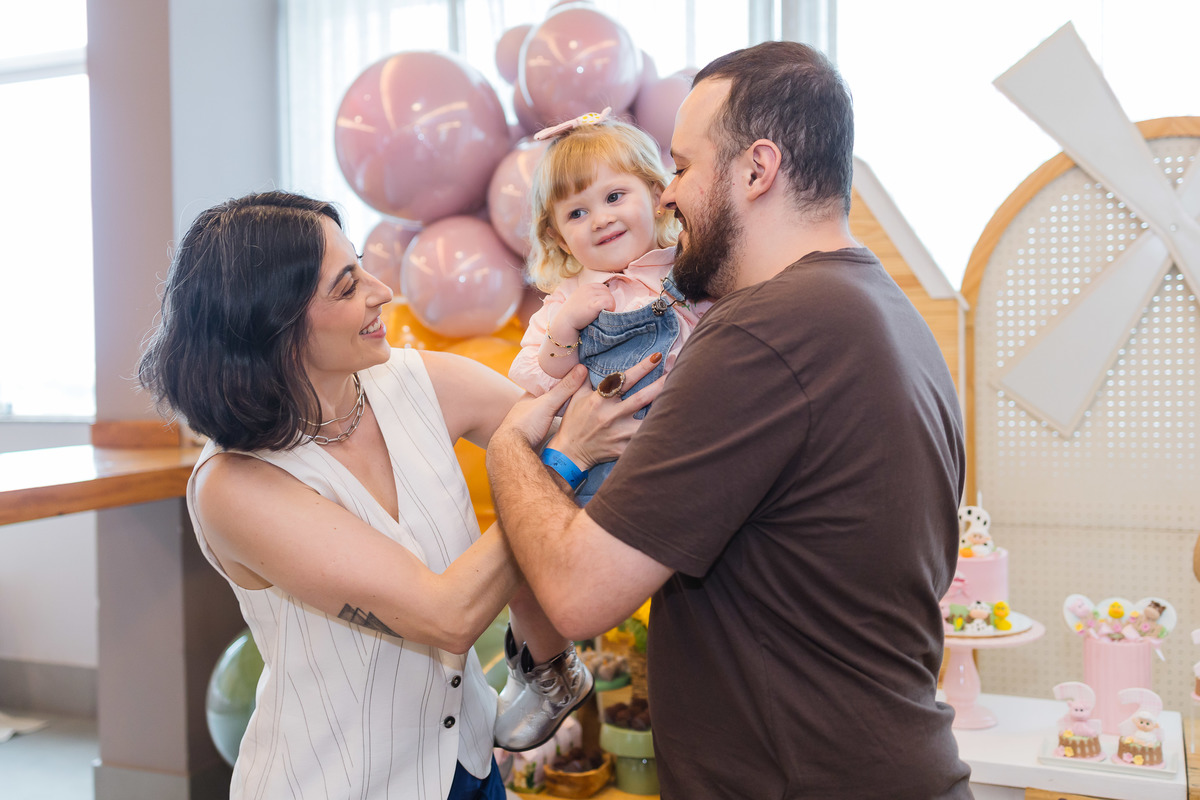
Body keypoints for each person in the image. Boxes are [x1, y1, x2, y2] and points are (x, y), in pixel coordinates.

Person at [486, 41, 972, 799]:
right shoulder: (879, 308)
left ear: (757, 170)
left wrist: (511, 449)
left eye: (682, 167)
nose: (668, 196)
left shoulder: (763, 334)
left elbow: (579, 593)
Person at [136, 192, 650, 799]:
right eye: (347, 286)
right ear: (274, 323)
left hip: (470, 767)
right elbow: (447, 615)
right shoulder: (234, 484)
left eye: (361, 266)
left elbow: (584, 434)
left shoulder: (421, 380)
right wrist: (568, 460)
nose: (381, 291)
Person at [509, 109, 711, 503]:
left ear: (656, 196)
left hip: (689, 449)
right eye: (577, 213)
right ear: (560, 238)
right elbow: (547, 379)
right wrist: (566, 326)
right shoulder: (566, 299)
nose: (600, 220)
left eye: (614, 197)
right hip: (606, 474)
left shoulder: (689, 268)